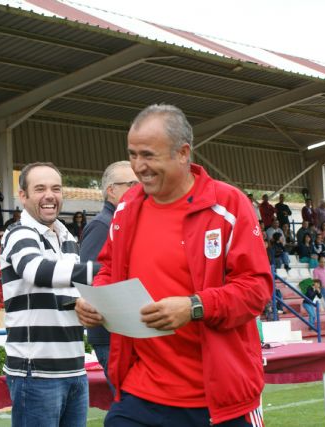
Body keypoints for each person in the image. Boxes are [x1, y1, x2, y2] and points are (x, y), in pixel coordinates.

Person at [75, 105, 271, 427]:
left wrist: (194, 306)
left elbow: (256, 290)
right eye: (133, 154)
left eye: (149, 155)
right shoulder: (127, 207)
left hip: (216, 399)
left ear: (183, 153)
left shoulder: (229, 205)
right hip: (141, 392)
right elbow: (109, 268)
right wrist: (96, 299)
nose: (139, 167)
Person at [0, 162, 99, 427]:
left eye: (56, 188)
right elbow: (37, 271)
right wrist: (102, 272)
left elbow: (67, 291)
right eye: (40, 188)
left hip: (75, 368)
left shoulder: (67, 236)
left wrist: (83, 303)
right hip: (35, 373)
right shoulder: (18, 233)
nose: (50, 195)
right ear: (23, 195)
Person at [80, 160, 137, 384]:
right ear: (111, 190)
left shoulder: (119, 222)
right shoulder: (103, 225)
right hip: (111, 336)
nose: (139, 189)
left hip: (123, 332)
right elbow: (90, 276)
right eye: (132, 184)